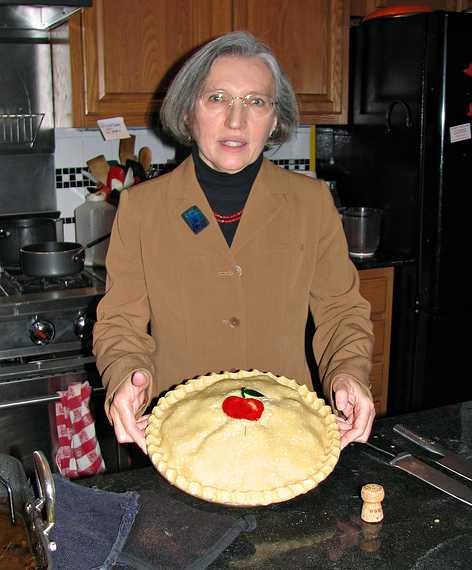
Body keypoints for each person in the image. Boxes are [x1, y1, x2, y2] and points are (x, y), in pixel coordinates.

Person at [93, 31, 375, 454]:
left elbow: (340, 311)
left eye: (255, 102)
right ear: (189, 112)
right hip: (182, 438)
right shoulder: (140, 208)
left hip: (286, 433)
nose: (236, 121)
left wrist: (348, 373)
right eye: (218, 98)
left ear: (275, 119)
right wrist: (126, 376)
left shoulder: (311, 202)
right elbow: (121, 325)